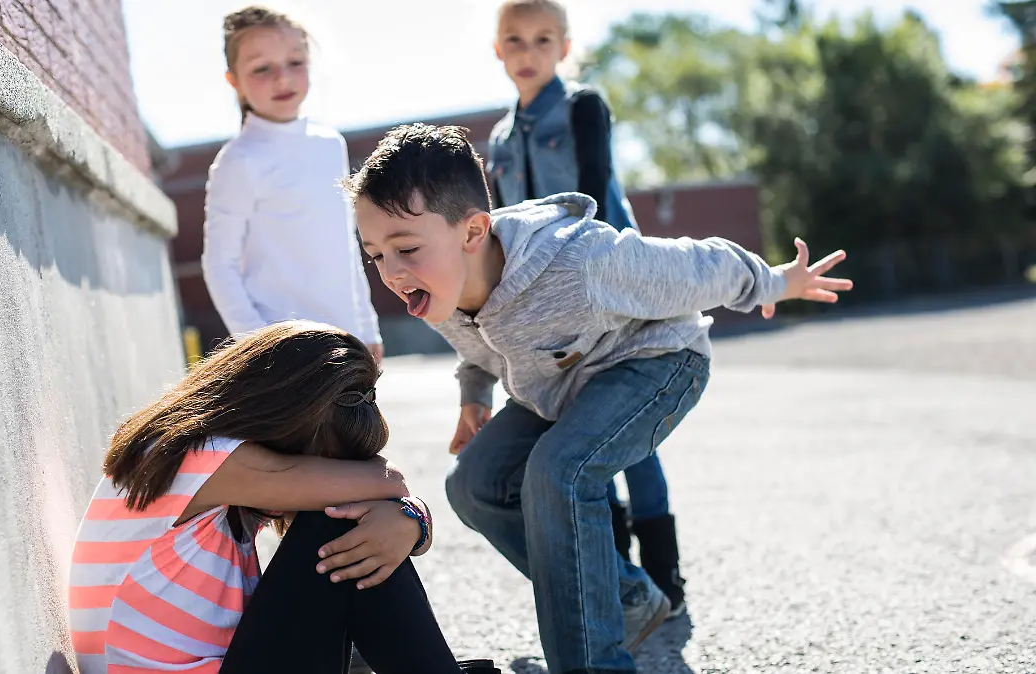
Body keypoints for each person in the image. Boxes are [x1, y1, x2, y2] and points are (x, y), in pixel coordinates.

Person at [349, 123, 852, 674]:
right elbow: (480, 345)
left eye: (406, 248)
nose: (391, 272)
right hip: (560, 386)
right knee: (472, 484)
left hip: (657, 362)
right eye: (375, 255)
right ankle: (627, 600)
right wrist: (474, 397)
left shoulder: (580, 261)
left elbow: (698, 265)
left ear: (472, 231)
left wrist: (776, 282)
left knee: (559, 471)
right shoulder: (437, 285)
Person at [68, 321, 500, 674]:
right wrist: (407, 514)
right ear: (285, 420)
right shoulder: (201, 457)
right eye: (323, 464)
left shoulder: (207, 466)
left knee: (355, 526)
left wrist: (409, 521)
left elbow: (387, 495)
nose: (326, 478)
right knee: (340, 521)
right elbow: (388, 482)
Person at [485, 0, 682, 611]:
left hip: (612, 289)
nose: (528, 52)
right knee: (581, 435)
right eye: (515, 40)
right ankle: (622, 584)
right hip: (546, 307)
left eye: (543, 40)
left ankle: (666, 578)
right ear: (498, 49)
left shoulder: (582, 107)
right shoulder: (498, 138)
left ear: (564, 48)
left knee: (632, 437)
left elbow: (595, 192)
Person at [202, 6, 383, 362]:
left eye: (295, 62)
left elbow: (345, 246)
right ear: (233, 80)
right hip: (284, 351)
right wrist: (258, 346)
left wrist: (367, 326)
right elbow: (219, 265)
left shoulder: (330, 144)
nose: (282, 78)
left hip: (347, 340)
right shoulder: (238, 160)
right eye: (262, 68)